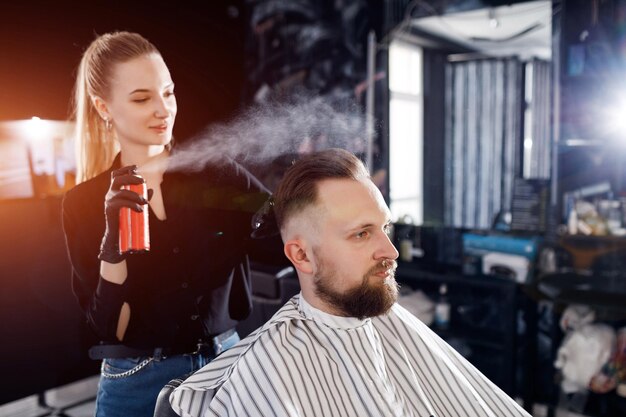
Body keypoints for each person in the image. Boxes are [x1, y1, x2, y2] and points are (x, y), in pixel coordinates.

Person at [168, 148, 532, 417]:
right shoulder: (272, 373)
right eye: (361, 234)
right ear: (302, 256)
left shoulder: (391, 324)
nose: (391, 251)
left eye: (384, 228)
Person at [62, 31, 274, 417]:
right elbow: (112, 330)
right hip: (136, 383)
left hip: (227, 370)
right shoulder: (82, 204)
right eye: (142, 98)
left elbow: (284, 230)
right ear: (104, 107)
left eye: (169, 92)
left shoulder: (217, 172)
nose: (163, 110)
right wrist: (112, 246)